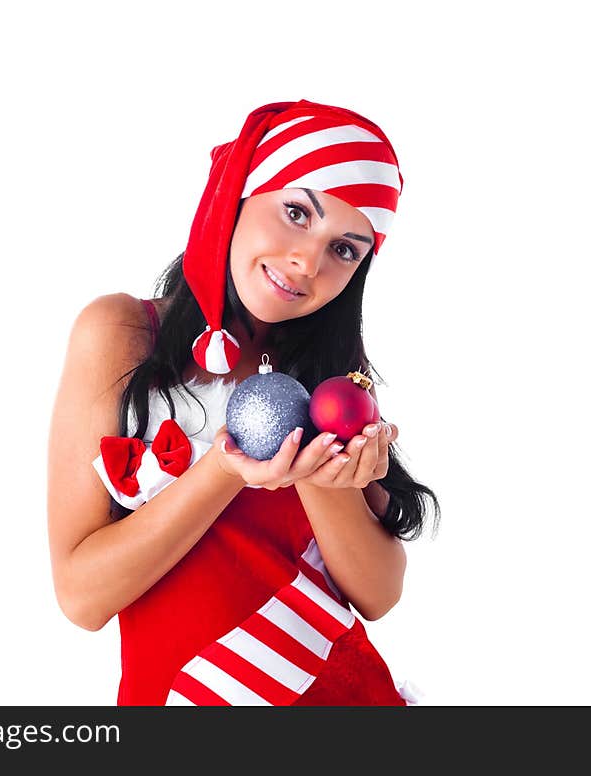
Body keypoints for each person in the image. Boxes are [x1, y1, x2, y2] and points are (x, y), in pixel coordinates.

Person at [47, 98, 440, 706]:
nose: (306, 260)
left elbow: (378, 595)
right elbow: (82, 597)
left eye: (344, 249)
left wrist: (320, 475)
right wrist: (225, 470)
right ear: (240, 193)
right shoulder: (122, 335)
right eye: (295, 212)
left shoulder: (334, 387)